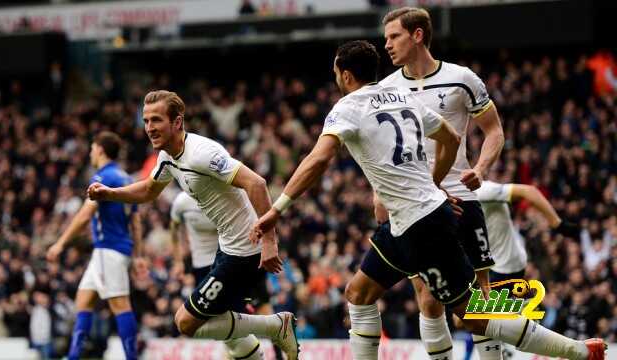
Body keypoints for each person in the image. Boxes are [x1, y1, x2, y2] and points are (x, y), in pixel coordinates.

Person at [250, 40, 606, 360]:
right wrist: (433, 186)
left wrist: (277, 209)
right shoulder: (402, 97)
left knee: (474, 317)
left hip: (420, 224)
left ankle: (576, 351)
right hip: (409, 220)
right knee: (358, 293)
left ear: (344, 75)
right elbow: (451, 138)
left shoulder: (347, 107)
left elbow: (319, 159)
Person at [87, 90, 299, 360]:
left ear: (177, 122)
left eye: (156, 120)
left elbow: (256, 183)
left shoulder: (201, 154)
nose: (149, 128)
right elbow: (149, 191)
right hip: (227, 247)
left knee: (186, 322)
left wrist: (270, 241)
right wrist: (110, 193)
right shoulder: (168, 157)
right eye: (146, 120)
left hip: (246, 250)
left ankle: (276, 326)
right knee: (223, 324)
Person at [379, 7, 505, 359]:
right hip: (417, 204)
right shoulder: (386, 89)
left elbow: (494, 130)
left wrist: (480, 168)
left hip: (462, 196)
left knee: (481, 295)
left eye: (394, 37)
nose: (386, 45)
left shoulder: (462, 79)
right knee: (428, 298)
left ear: (417, 35)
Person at [47, 131, 144, 360]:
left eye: (92, 148)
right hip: (115, 250)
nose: (91, 152)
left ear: (99, 149)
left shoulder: (102, 177)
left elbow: (84, 215)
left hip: (108, 249)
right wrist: (138, 255)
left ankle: (132, 357)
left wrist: (60, 243)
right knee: (84, 299)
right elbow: (136, 221)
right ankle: (73, 356)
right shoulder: (126, 179)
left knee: (120, 304)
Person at [170, 191, 277, 359]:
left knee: (253, 312)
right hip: (203, 269)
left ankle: (278, 345)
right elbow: (174, 227)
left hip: (231, 263)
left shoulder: (225, 194)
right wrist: (178, 261)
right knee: (220, 326)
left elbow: (255, 199)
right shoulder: (181, 202)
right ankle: (275, 327)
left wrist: (266, 242)